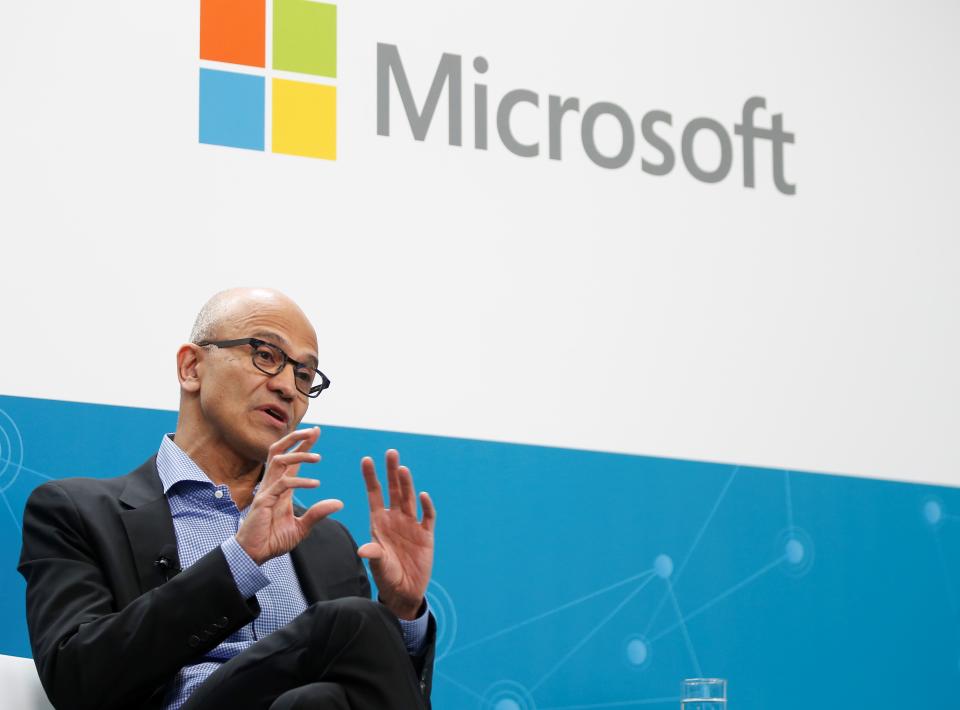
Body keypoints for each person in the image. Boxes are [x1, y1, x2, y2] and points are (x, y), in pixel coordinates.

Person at [18, 287, 437, 710]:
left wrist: (402, 613)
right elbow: (76, 680)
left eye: (305, 376)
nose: (288, 388)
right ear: (191, 367)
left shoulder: (330, 545)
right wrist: (239, 562)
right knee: (351, 620)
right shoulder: (75, 512)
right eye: (266, 355)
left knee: (319, 701)